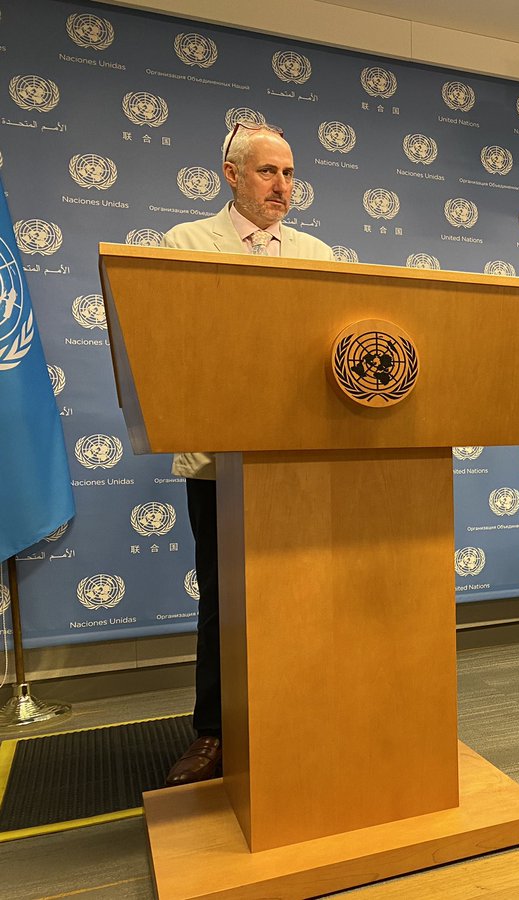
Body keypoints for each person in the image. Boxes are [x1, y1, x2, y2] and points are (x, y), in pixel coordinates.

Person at [163, 123, 334, 786]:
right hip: (220, 460)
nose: (283, 187)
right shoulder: (186, 243)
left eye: (289, 174)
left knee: (303, 593)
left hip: (301, 462)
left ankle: (301, 714)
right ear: (231, 175)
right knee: (223, 596)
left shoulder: (317, 253)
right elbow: (178, 343)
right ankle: (215, 732)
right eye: (268, 172)